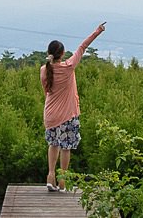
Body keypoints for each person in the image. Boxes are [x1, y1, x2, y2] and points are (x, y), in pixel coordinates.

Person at [40, 21, 106, 192]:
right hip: (68, 114)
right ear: (62, 54)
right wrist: (97, 31)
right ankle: (62, 181)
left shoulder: (44, 70)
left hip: (50, 114)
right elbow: (82, 47)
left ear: (49, 54)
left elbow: (46, 91)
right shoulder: (69, 67)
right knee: (66, 147)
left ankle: (50, 176)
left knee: (53, 144)